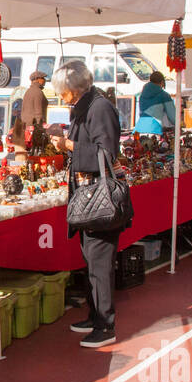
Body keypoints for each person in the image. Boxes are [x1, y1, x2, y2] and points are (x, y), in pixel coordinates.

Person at [54, 60, 122, 349]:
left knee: (100, 263)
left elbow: (106, 152)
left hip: (99, 195)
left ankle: (106, 325)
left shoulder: (100, 108)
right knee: (91, 260)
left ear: (73, 88)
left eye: (62, 91)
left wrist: (69, 146)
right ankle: (95, 316)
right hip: (88, 195)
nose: (60, 97)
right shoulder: (86, 106)